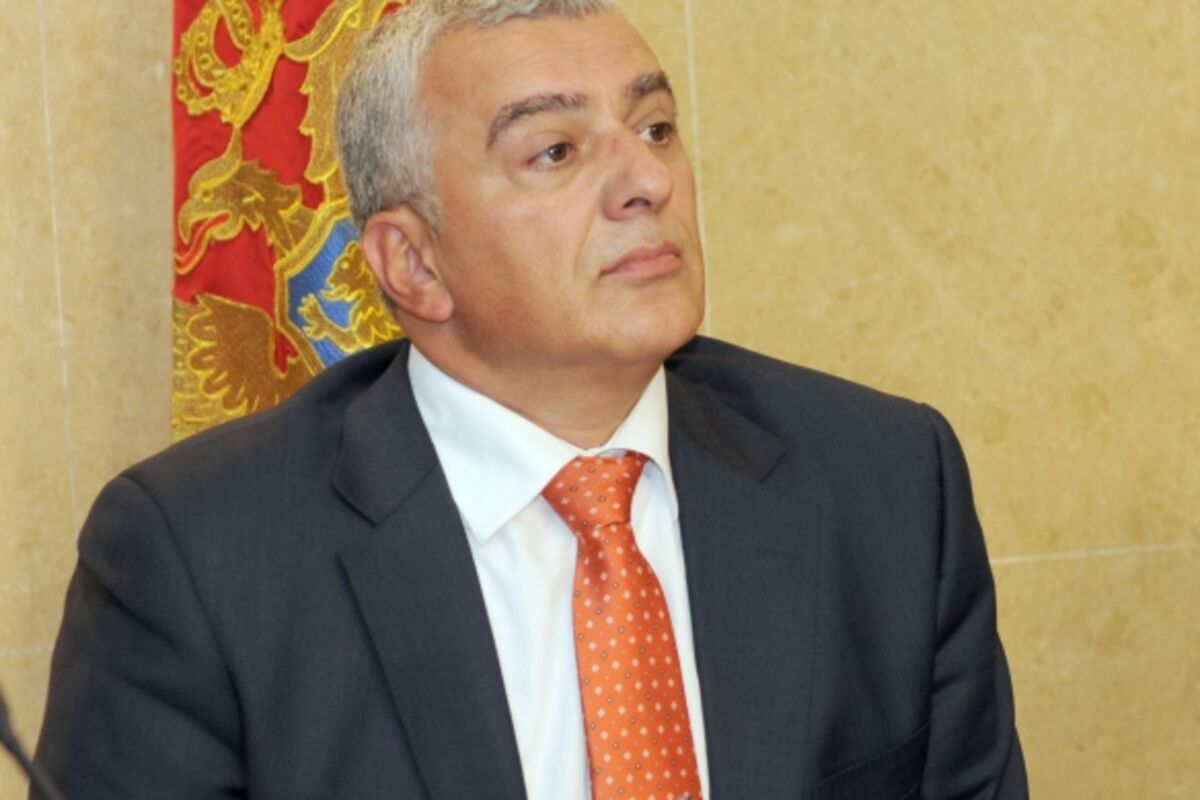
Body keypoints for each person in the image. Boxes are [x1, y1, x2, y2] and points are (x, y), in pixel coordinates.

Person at [34, 1, 1027, 798]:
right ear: (414, 263)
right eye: (555, 150)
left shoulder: (886, 482)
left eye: (655, 127)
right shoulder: (199, 558)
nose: (647, 179)